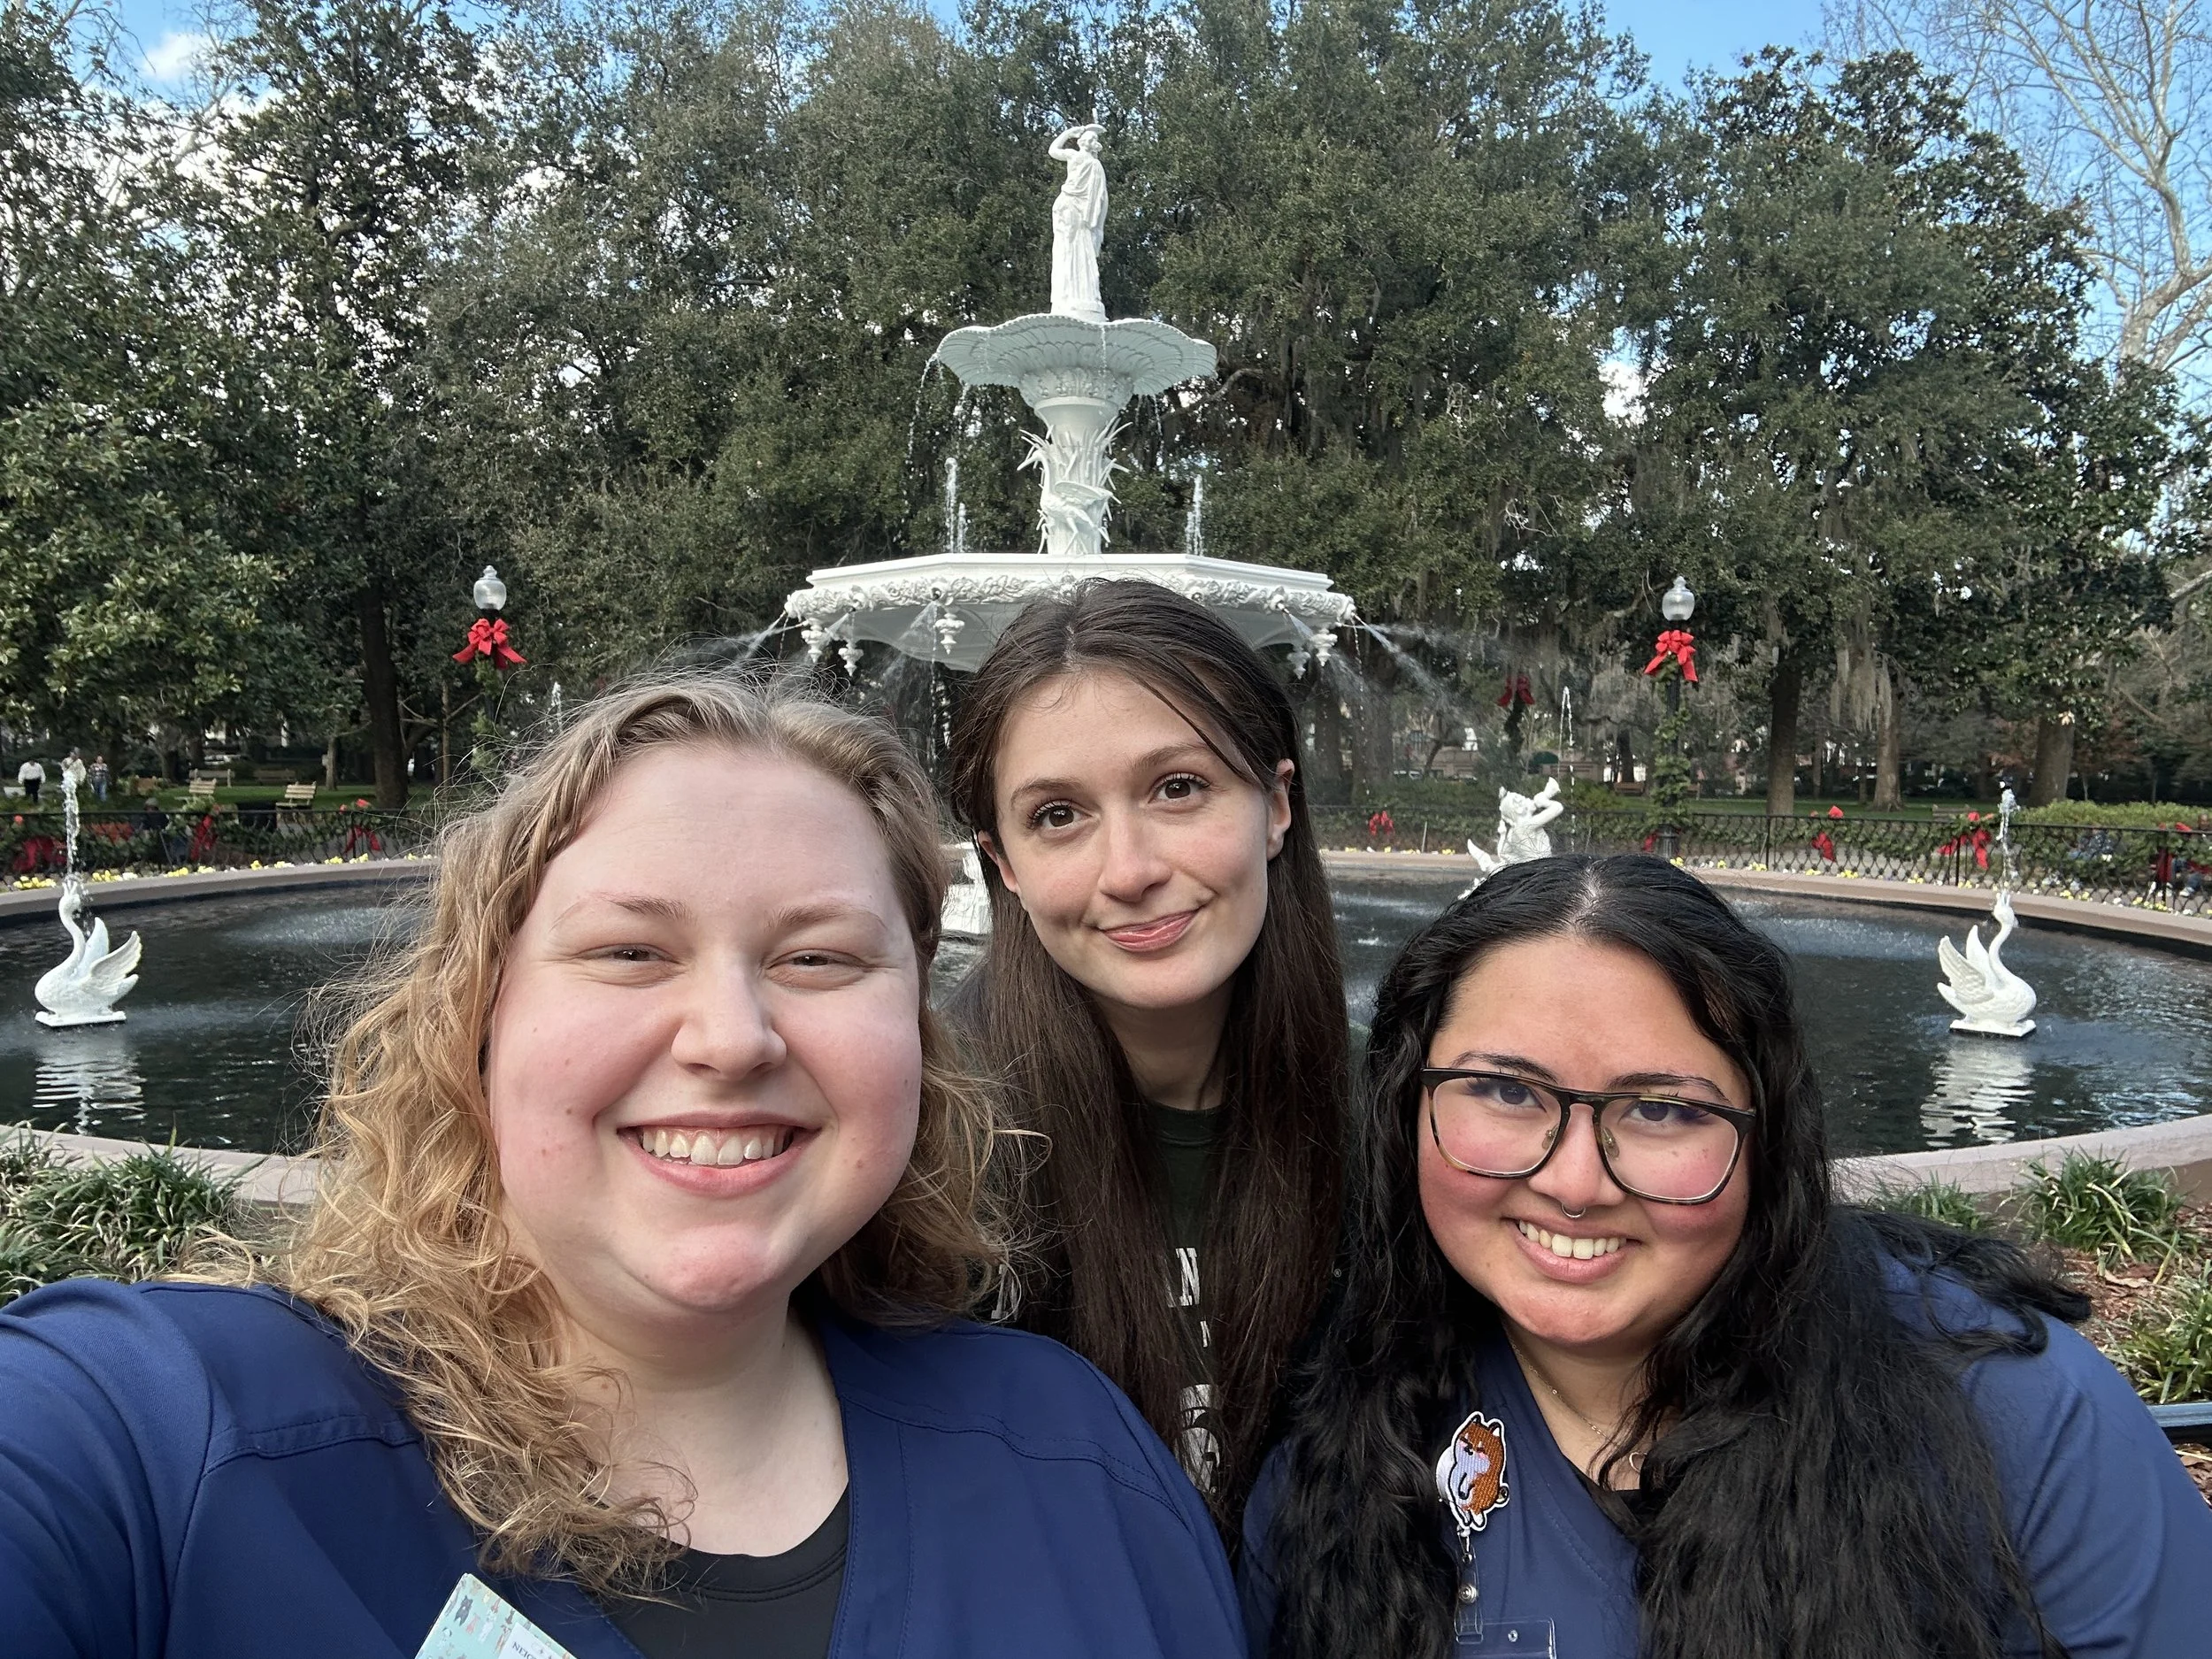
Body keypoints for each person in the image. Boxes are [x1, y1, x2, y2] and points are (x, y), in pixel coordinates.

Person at [0, 674, 1243, 1659]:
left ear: (916, 1034)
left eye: (819, 959)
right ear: (480, 1016)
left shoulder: (1073, 1452)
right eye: (632, 951)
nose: (733, 1036)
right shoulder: (160, 1443)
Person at [1244, 854, 2212, 1659]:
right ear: (1406, 1106)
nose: (1577, 1182)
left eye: (1663, 1110)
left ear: (1767, 1138)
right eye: (1503, 1092)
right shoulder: (1341, 1446)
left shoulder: (2013, 1420)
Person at [946, 580, 1348, 1532]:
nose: (1128, 870)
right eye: (1057, 816)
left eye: (1179, 788)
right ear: (1002, 865)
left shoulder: (1397, 1117)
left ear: (1275, 806)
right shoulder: (926, 1150)